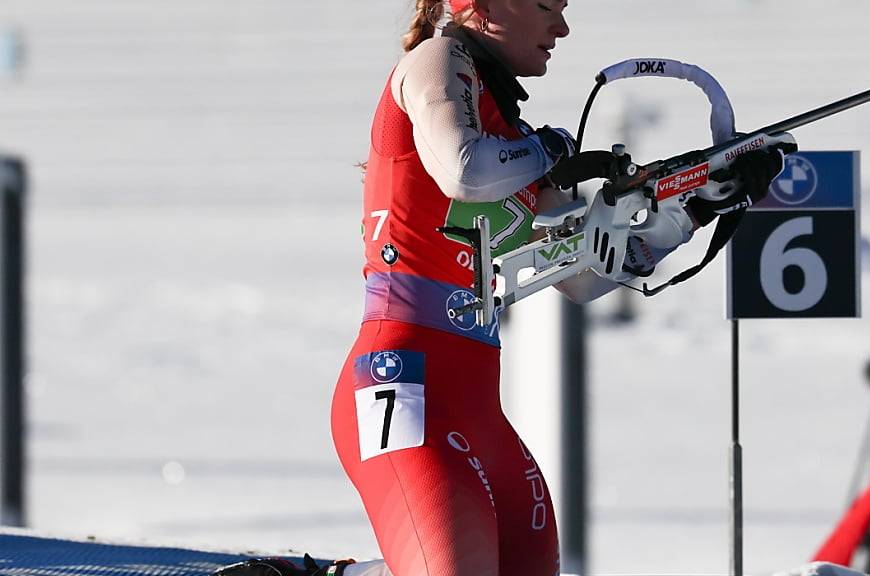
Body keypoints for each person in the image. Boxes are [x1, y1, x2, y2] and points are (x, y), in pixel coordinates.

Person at [215, 1, 786, 575]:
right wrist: (554, 152)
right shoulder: (437, 61)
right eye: (546, 6)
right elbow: (464, 170)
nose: (561, 28)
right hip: (404, 382)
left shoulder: (515, 139)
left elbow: (587, 277)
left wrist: (692, 208)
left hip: (476, 405)